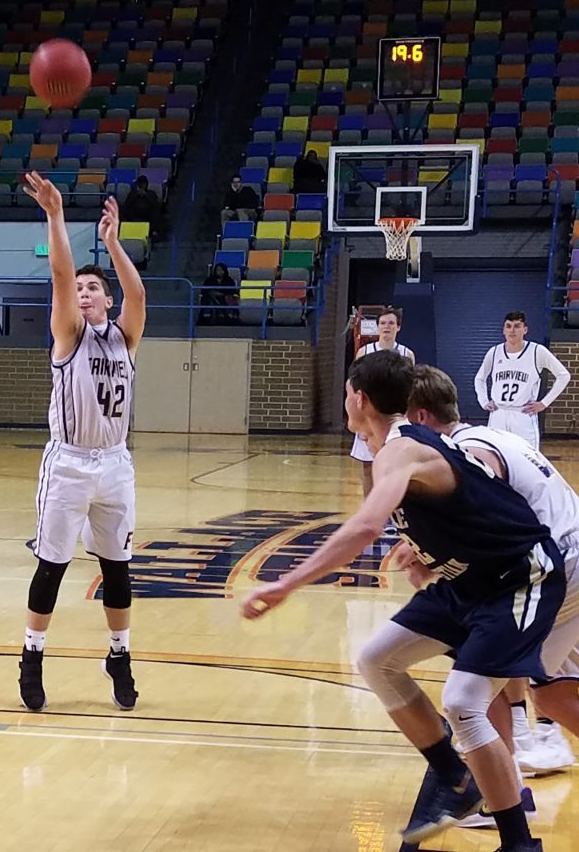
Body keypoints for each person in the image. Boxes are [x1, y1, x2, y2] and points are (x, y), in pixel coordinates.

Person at [243, 350, 565, 852]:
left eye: (349, 391)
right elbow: (466, 507)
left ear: (359, 398)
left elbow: (366, 526)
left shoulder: (400, 449)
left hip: (522, 578)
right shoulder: (403, 447)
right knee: (376, 660)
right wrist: (427, 551)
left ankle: (519, 842)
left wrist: (286, 584)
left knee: (465, 702)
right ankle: (453, 776)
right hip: (470, 580)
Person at [408, 366, 578, 789]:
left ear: (421, 418)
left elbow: (484, 513)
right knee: (552, 690)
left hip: (563, 565)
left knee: (487, 666)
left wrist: (432, 554)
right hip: (572, 555)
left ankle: (498, 794)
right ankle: (513, 771)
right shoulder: (489, 435)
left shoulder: (469, 451)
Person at [19, 170, 146, 712]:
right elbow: (61, 274)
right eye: (82, 288)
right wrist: (55, 216)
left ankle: (119, 654)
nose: (86, 292)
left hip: (115, 465)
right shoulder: (68, 335)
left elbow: (138, 292)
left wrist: (114, 243)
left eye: (96, 288)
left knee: (117, 569)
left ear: (108, 300)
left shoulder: (125, 336)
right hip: (68, 464)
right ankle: (32, 655)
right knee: (52, 565)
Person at [474, 311, 570, 451]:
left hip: (523, 414)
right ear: (503, 330)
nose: (512, 330)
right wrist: (483, 401)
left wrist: (544, 403)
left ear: (525, 329)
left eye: (517, 326)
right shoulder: (494, 352)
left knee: (528, 460)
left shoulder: (537, 351)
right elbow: (479, 378)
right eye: (508, 326)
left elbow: (564, 375)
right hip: (498, 414)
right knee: (496, 458)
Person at [349, 308, 415, 496]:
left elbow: (409, 391)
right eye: (383, 323)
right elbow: (356, 388)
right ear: (377, 327)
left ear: (398, 327)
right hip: (370, 416)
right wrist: (361, 424)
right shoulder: (365, 351)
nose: (387, 327)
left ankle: (393, 514)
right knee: (368, 467)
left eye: (391, 323)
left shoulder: (407, 354)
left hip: (393, 418)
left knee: (394, 467)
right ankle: (370, 509)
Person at [120, 175, 163, 239]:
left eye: (143, 184)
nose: (142, 185)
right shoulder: (132, 193)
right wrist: (136, 195)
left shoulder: (152, 193)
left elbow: (154, 204)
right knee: (122, 211)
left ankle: (154, 232)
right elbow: (127, 204)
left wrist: (146, 195)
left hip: (147, 212)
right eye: (140, 183)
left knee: (155, 211)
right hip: (134, 212)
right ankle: (123, 231)